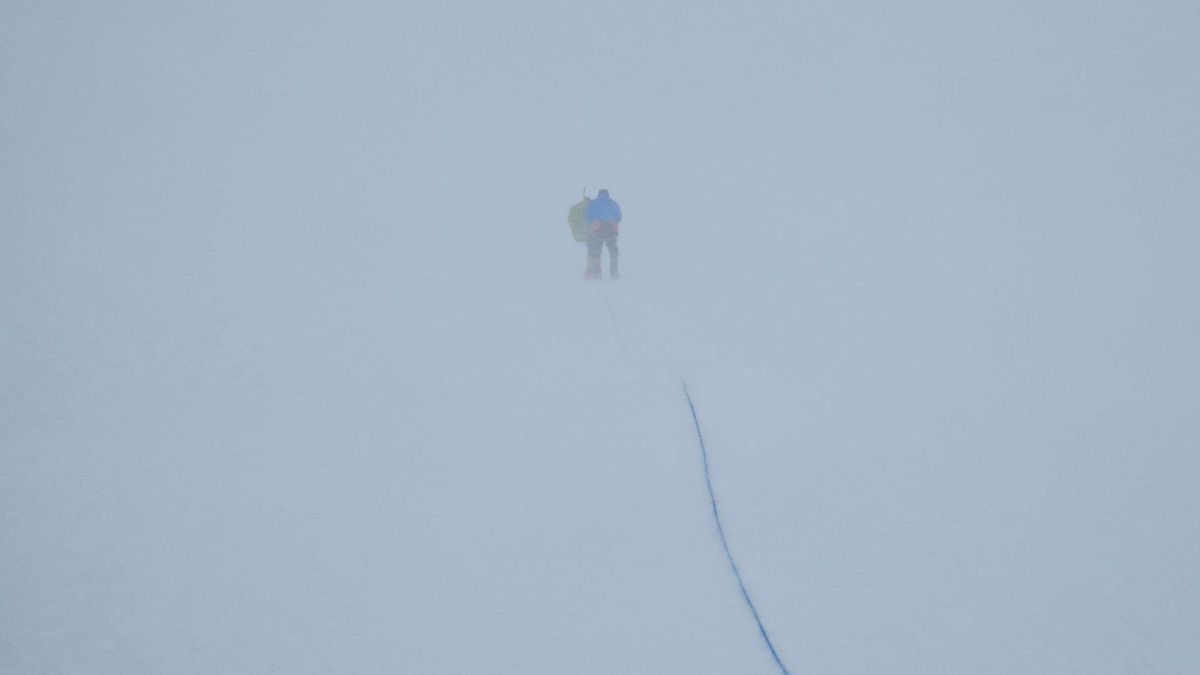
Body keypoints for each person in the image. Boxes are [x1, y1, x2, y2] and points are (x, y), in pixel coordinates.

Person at [583, 189, 622, 280]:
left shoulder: (593, 204)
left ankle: (596, 274)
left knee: (596, 251)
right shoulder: (613, 203)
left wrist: (596, 222)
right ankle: (614, 273)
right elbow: (619, 216)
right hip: (611, 230)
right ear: (607, 194)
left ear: (598, 194)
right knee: (613, 251)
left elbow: (588, 217)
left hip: (597, 230)